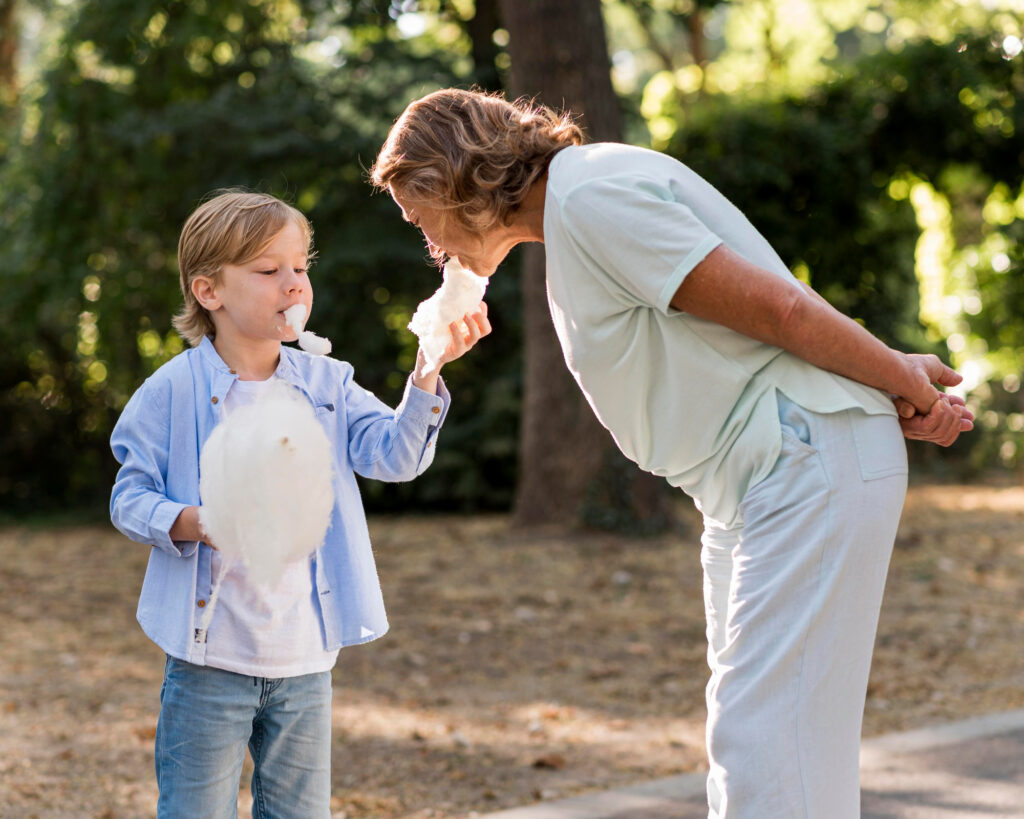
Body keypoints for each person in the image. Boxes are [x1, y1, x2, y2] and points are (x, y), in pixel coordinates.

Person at [370, 88, 973, 818]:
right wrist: (888, 373)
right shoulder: (578, 206)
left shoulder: (589, 198)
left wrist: (896, 379)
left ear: (451, 181)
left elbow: (778, 308)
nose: (427, 243)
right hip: (759, 475)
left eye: (418, 216)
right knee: (768, 744)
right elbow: (747, 320)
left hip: (800, 453)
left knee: (766, 746)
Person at [109, 189, 490, 818]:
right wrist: (194, 523)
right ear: (210, 292)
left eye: (300, 268)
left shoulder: (327, 383)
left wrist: (428, 368)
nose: (293, 285)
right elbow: (129, 496)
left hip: (305, 659)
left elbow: (395, 457)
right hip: (209, 658)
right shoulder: (172, 390)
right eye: (268, 271)